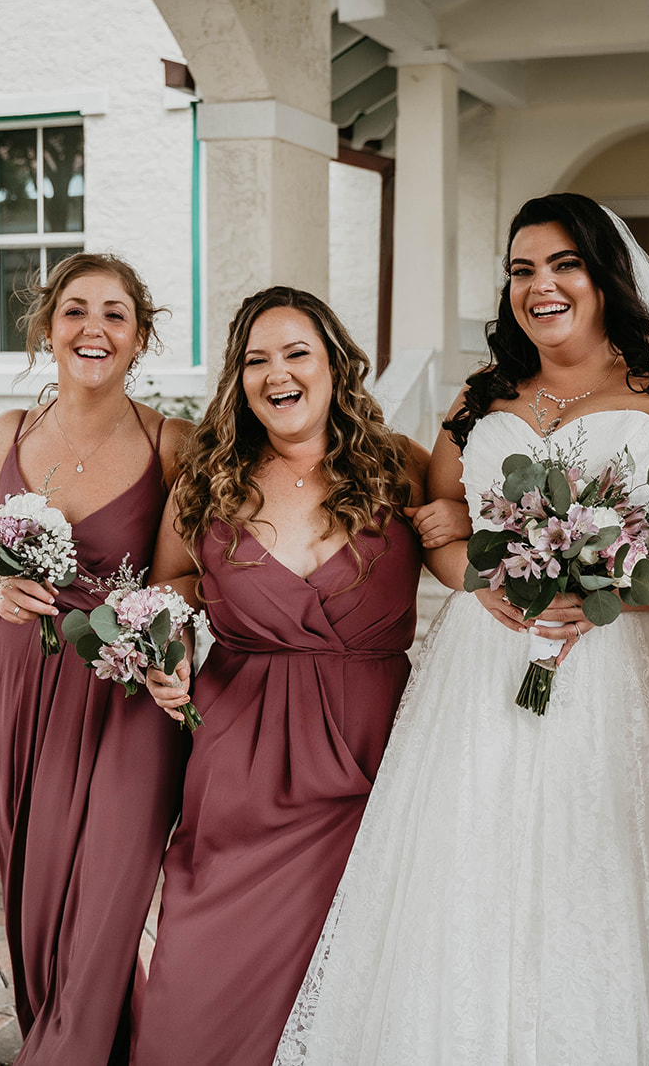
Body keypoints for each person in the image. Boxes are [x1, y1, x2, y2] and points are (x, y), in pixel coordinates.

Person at [274, 192, 649, 1065]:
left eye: (563, 264)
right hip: (485, 675)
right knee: (471, 883)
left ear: (604, 276)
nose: (540, 286)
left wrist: (627, 588)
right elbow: (441, 525)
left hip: (637, 679)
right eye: (521, 269)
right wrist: (478, 582)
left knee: (618, 883)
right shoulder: (483, 394)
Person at [131, 287, 460, 1066]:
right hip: (239, 767)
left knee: (358, 975)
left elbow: (470, 574)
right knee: (199, 973)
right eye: (256, 360)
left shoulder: (400, 467)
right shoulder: (208, 478)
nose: (276, 373)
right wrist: (166, 644)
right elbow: (170, 583)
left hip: (375, 764)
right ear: (239, 380)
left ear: (335, 364)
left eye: (296, 352)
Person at [0, 253, 190, 1066]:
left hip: (124, 702)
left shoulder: (172, 443)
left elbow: (180, 578)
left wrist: (159, 644)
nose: (95, 328)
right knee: (39, 899)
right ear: (47, 328)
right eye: (76, 310)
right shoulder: (4, 434)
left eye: (116, 313)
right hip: (19, 691)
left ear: (139, 335)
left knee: (107, 903)